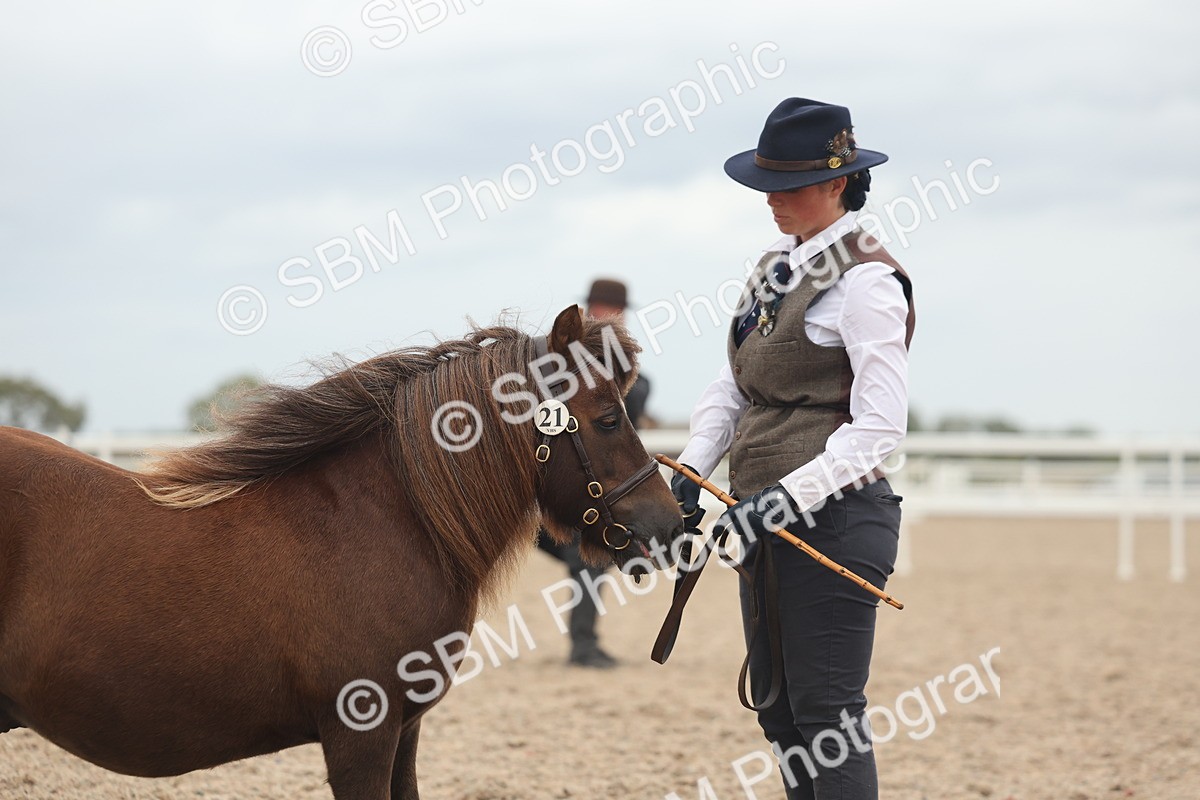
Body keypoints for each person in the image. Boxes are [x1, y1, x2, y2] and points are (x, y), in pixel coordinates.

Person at [670, 98, 915, 799]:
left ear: (838, 183)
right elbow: (735, 382)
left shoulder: (868, 283)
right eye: (767, 187)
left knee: (828, 718)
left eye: (791, 187)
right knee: (779, 713)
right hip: (765, 518)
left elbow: (878, 427)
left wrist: (782, 500)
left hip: (833, 524)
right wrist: (694, 467)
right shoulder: (775, 264)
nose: (774, 202)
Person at [536, 278, 651, 668]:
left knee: (590, 561)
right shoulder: (579, 365)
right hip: (571, 486)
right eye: (604, 309)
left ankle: (584, 642)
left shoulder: (620, 370)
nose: (611, 317)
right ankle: (583, 646)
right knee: (590, 561)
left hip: (593, 483)